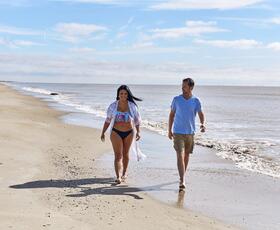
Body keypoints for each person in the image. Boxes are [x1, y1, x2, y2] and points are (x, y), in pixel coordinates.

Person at [168, 78, 206, 191]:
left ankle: (182, 174)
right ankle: (182, 179)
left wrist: (203, 124)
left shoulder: (196, 101)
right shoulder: (176, 99)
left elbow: (200, 113)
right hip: (178, 132)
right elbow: (171, 115)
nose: (182, 88)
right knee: (180, 154)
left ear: (191, 87)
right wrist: (169, 130)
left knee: (186, 155)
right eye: (182, 86)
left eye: (185, 86)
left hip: (190, 133)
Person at [100, 85, 142, 184]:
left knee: (126, 154)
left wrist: (138, 131)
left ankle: (124, 173)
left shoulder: (132, 106)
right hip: (116, 132)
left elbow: (137, 120)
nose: (123, 95)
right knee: (118, 155)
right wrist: (103, 132)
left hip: (129, 132)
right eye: (121, 93)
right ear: (118, 95)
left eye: (125, 94)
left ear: (128, 95)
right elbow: (108, 120)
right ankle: (118, 176)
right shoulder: (113, 106)